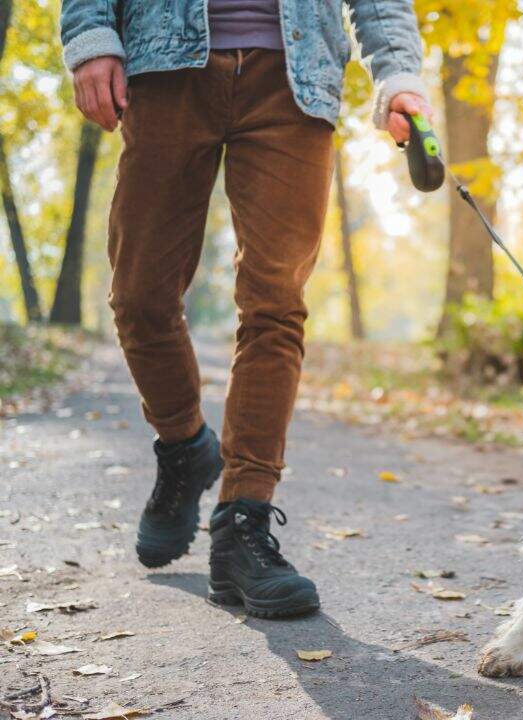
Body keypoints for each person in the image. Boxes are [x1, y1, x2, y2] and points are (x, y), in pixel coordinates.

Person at [60, 0, 432, 619]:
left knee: (275, 304)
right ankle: (184, 447)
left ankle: (243, 520)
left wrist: (398, 75)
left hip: (296, 77)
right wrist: (91, 32)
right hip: (164, 65)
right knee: (140, 296)